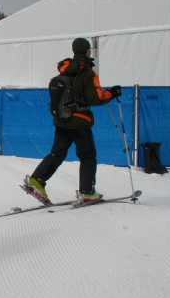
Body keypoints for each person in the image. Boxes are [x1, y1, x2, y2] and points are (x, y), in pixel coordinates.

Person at [24, 37, 121, 204]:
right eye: (89, 49)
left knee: (57, 153)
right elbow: (96, 98)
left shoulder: (64, 70)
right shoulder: (88, 73)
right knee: (88, 156)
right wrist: (112, 93)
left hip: (62, 120)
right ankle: (87, 192)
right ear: (87, 51)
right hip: (80, 121)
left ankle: (36, 181)